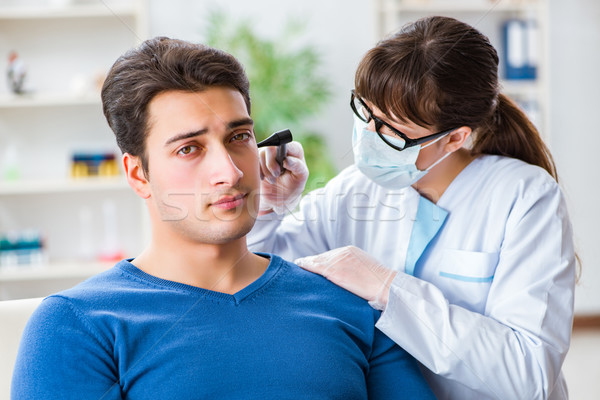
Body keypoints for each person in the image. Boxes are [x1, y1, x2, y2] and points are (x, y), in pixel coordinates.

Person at [11, 37, 435, 399]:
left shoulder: (350, 305)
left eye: (238, 138)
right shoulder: (76, 327)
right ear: (139, 174)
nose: (230, 172)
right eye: (189, 149)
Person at [249, 16, 576, 400]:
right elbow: (268, 274)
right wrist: (270, 207)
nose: (369, 133)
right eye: (366, 111)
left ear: (454, 138)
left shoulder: (525, 197)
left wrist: (388, 287)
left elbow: (529, 375)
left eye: (392, 127)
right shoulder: (358, 187)